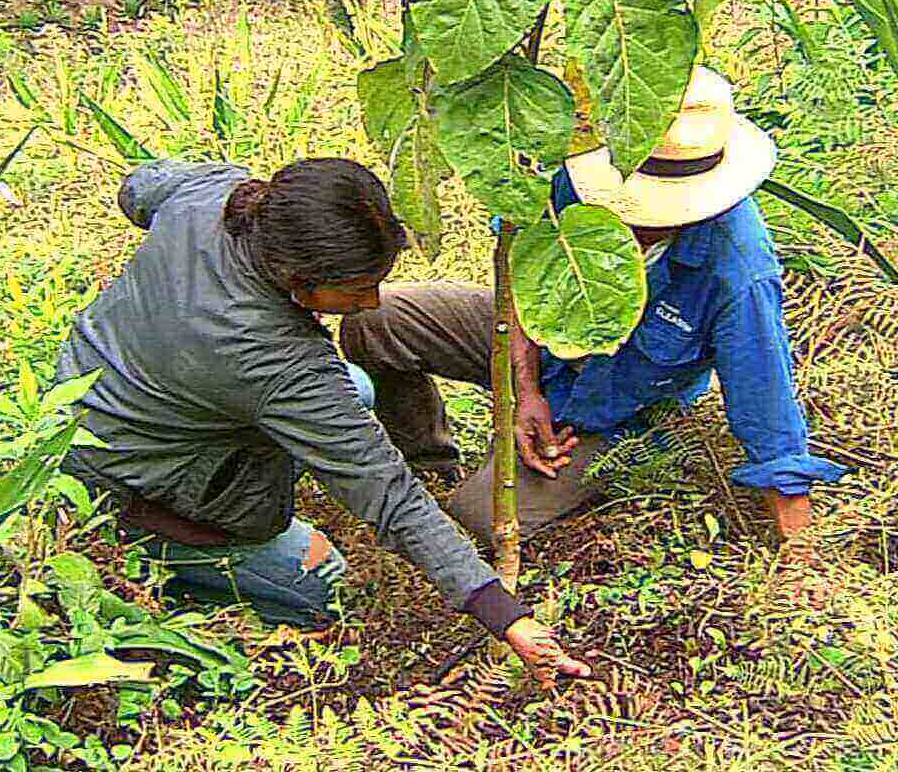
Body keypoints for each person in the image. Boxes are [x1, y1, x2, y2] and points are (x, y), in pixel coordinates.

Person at [56, 157, 589, 678]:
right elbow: (387, 493)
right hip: (124, 479)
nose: (372, 302)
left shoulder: (218, 197)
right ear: (297, 276)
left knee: (354, 389)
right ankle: (159, 556)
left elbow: (140, 186)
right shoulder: (274, 363)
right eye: (358, 289)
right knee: (322, 583)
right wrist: (507, 616)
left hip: (77, 394)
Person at [342, 67, 848, 555]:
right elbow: (523, 270)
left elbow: (766, 400)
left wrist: (799, 553)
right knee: (376, 321)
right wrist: (526, 390)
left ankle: (596, 469)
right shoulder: (575, 175)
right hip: (536, 341)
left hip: (619, 405)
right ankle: (427, 459)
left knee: (477, 516)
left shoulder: (735, 268)